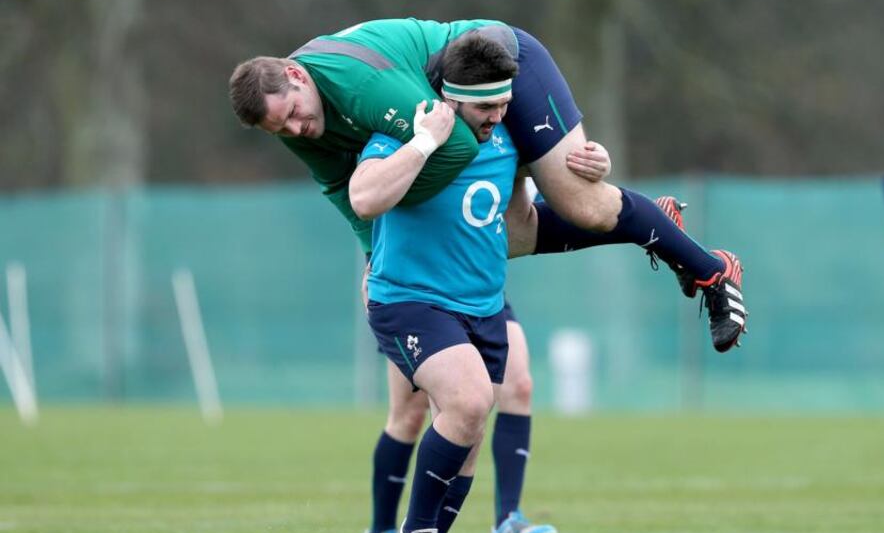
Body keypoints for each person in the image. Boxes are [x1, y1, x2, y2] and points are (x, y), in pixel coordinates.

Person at [228, 18, 747, 354]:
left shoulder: (358, 85)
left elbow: (454, 146)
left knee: (584, 204)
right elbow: (347, 197)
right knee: (507, 236)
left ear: (296, 75)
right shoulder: (297, 121)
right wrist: (374, 257)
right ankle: (650, 223)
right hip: (460, 109)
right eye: (280, 129)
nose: (294, 130)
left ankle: (712, 272)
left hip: (501, 65)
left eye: (293, 114)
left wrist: (397, 207)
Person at [352, 32, 525, 533]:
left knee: (467, 440)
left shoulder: (508, 141)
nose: (497, 115)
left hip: (483, 308)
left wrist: (593, 169)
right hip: (409, 301)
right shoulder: (406, 133)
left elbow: (523, 224)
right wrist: (424, 142)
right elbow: (363, 197)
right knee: (462, 402)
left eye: (504, 104)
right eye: (485, 106)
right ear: (451, 98)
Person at [360, 304, 557, 533]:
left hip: (480, 292)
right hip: (420, 294)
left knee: (515, 389)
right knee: (410, 416)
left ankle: (507, 520)